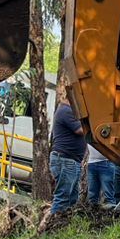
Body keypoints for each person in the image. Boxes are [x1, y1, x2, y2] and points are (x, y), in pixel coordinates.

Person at [47, 85, 86, 216]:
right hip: (65, 160)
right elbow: (80, 130)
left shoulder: (67, 110)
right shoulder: (66, 111)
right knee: (63, 197)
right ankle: (52, 227)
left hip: (70, 160)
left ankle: (62, 226)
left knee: (72, 198)